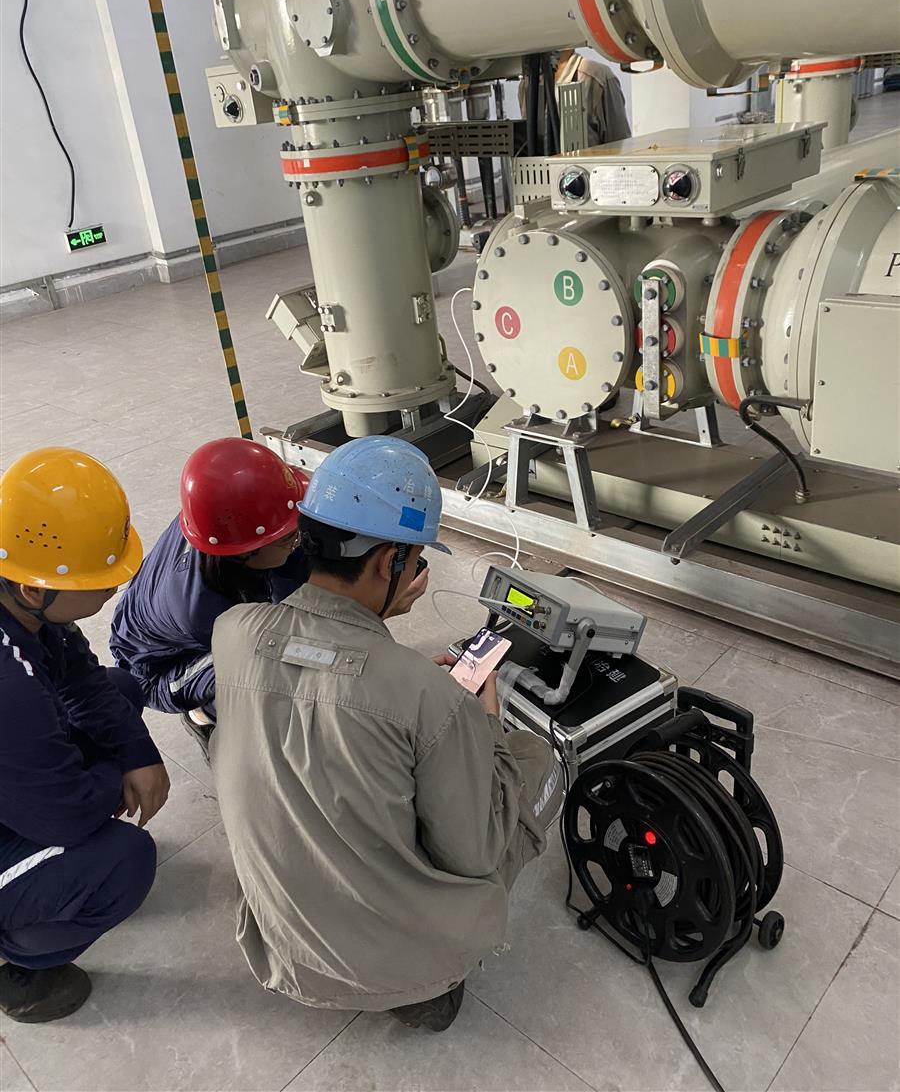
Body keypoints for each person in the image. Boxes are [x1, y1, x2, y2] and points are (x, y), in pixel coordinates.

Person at [211, 437, 563, 1031]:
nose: (418, 574)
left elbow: (315, 674)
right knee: (536, 759)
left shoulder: (232, 632)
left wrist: (399, 683)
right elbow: (473, 853)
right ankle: (422, 983)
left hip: (282, 946)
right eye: (417, 561)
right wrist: (482, 724)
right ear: (386, 563)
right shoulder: (430, 698)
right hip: (392, 968)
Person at [109, 438, 429, 761]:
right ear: (246, 552)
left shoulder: (223, 514)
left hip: (184, 603)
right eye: (290, 537)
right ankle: (204, 714)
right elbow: (306, 657)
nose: (299, 539)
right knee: (274, 673)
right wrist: (375, 609)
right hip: (159, 668)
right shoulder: (204, 610)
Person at [0, 448, 169, 1023]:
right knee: (124, 863)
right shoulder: (9, 689)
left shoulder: (23, 603)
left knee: (118, 692)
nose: (114, 590)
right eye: (101, 582)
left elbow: (84, 680)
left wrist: (138, 754)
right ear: (35, 590)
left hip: (15, 766)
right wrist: (113, 780)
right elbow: (66, 815)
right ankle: (18, 958)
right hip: (27, 788)